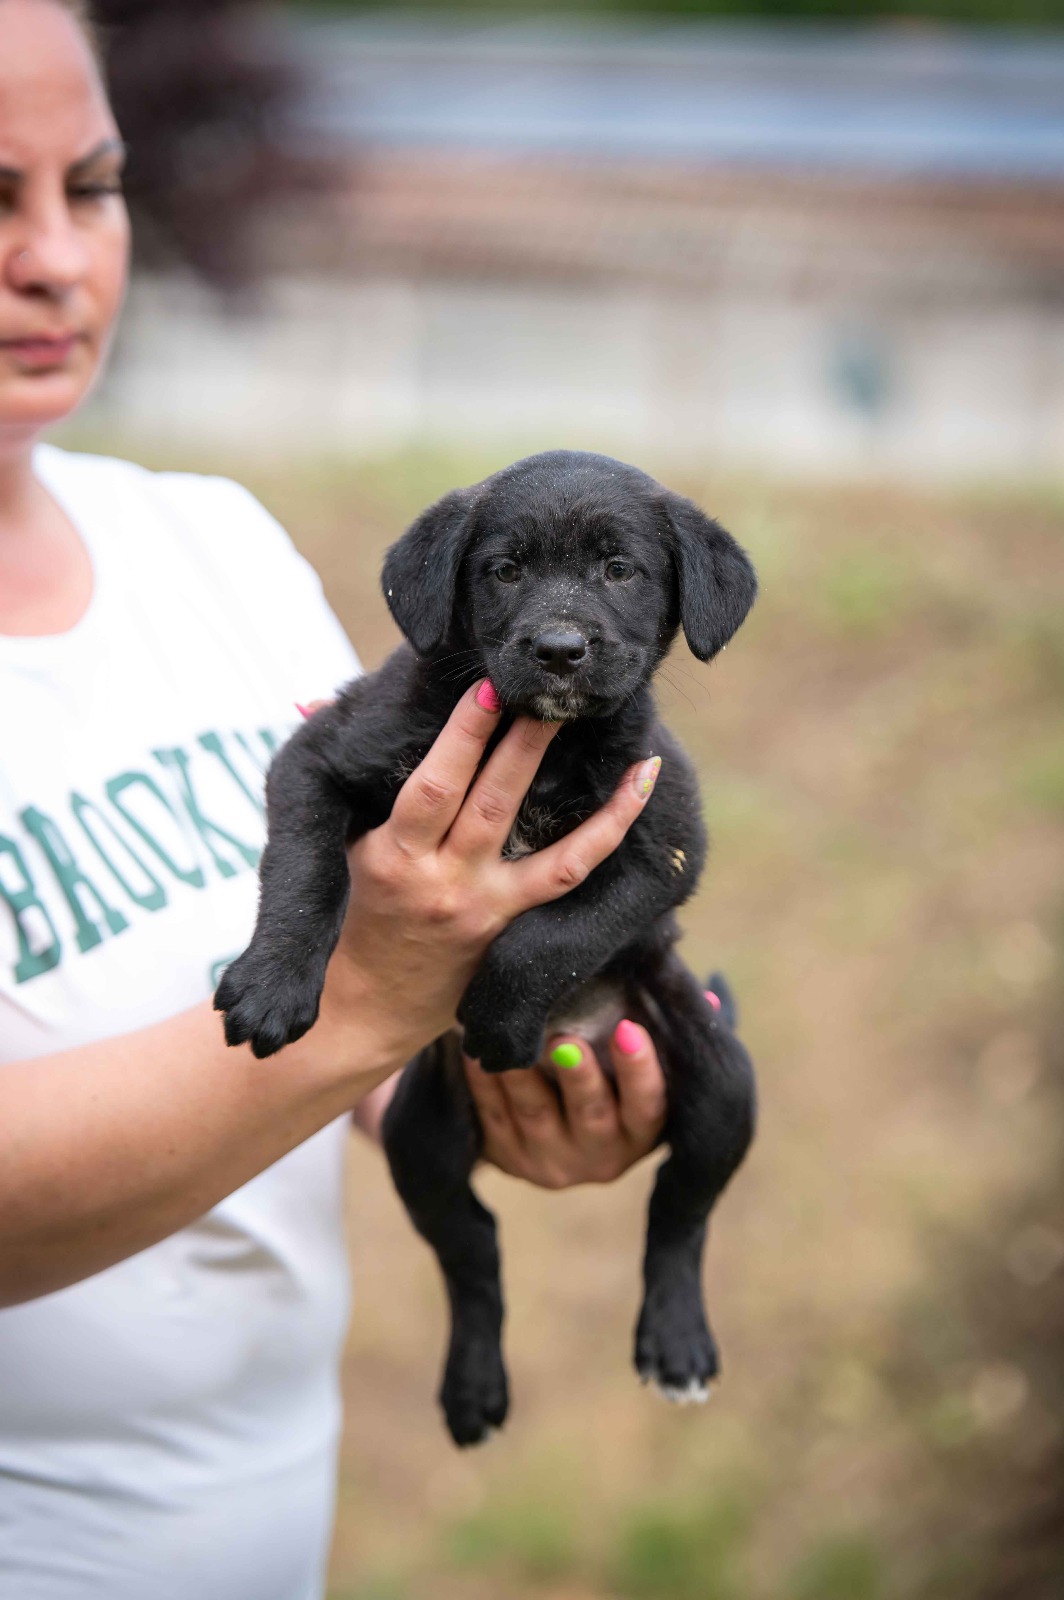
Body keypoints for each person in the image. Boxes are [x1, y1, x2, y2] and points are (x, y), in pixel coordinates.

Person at [0, 4, 671, 1596]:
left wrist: (500, 1084)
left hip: (262, 1528)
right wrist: (373, 1007)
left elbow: (393, 969)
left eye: (91, 186)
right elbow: (363, 992)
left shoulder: (208, 548)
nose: (56, 259)